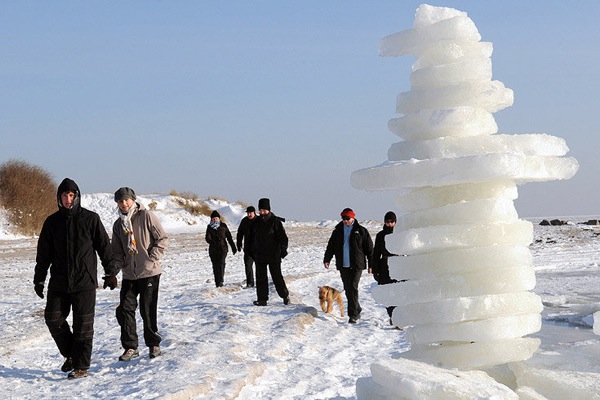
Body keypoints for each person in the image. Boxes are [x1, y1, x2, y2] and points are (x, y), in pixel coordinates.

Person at [33, 178, 117, 379]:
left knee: (83, 326)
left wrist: (111, 272)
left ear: (77, 197)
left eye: (71, 195)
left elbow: (105, 247)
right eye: (64, 195)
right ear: (59, 198)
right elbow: (43, 254)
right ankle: (71, 354)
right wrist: (39, 279)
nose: (68, 199)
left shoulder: (91, 219)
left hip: (84, 282)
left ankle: (81, 366)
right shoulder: (52, 222)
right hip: (59, 282)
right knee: (52, 319)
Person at [111, 187, 168, 362]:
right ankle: (130, 347)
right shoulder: (118, 224)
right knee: (125, 309)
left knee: (147, 309)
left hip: (149, 272)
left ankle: (153, 345)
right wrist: (113, 271)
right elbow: (118, 253)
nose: (124, 204)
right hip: (129, 274)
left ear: (133, 200)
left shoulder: (146, 216)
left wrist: (152, 259)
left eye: (127, 200)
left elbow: (162, 239)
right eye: (121, 201)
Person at [324, 208, 373, 324]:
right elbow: (331, 246)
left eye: (347, 218)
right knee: (347, 288)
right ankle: (357, 308)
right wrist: (327, 259)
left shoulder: (361, 231)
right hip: (343, 264)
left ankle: (353, 315)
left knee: (353, 287)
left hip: (357, 264)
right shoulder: (338, 231)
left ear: (353, 218)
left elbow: (369, 249)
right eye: (343, 218)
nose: (345, 221)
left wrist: (371, 264)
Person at [249, 198, 290, 306]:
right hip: (259, 255)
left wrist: (283, 249)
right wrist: (251, 251)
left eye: (264, 210)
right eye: (260, 210)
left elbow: (283, 238)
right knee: (260, 278)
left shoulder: (275, 221)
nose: (261, 212)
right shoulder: (256, 222)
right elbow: (250, 238)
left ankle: (285, 296)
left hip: (274, 254)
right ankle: (262, 299)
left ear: (268, 209)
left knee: (277, 277)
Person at [371, 211, 400, 325]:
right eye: (388, 222)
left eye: (392, 222)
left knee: (398, 293)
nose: (390, 224)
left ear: (395, 222)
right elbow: (376, 253)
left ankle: (398, 318)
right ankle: (392, 315)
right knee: (388, 294)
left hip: (398, 265)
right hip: (385, 267)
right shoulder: (380, 235)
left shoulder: (399, 234)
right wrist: (375, 270)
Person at [205, 210, 237, 287]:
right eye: (213, 218)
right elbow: (207, 238)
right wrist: (213, 242)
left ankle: (221, 281)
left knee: (221, 263)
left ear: (219, 218)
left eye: (216, 218)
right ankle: (217, 282)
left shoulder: (223, 226)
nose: (215, 220)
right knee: (215, 265)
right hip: (213, 249)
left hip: (223, 248)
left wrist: (233, 247)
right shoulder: (209, 227)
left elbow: (229, 237)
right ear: (211, 219)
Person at [236, 206, 257, 288]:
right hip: (248, 248)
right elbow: (240, 233)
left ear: (254, 212)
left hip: (258, 248)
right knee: (248, 266)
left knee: (259, 267)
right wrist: (239, 244)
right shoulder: (244, 221)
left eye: (250, 213)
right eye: (247, 213)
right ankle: (250, 283)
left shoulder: (259, 220)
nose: (249, 214)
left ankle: (261, 282)